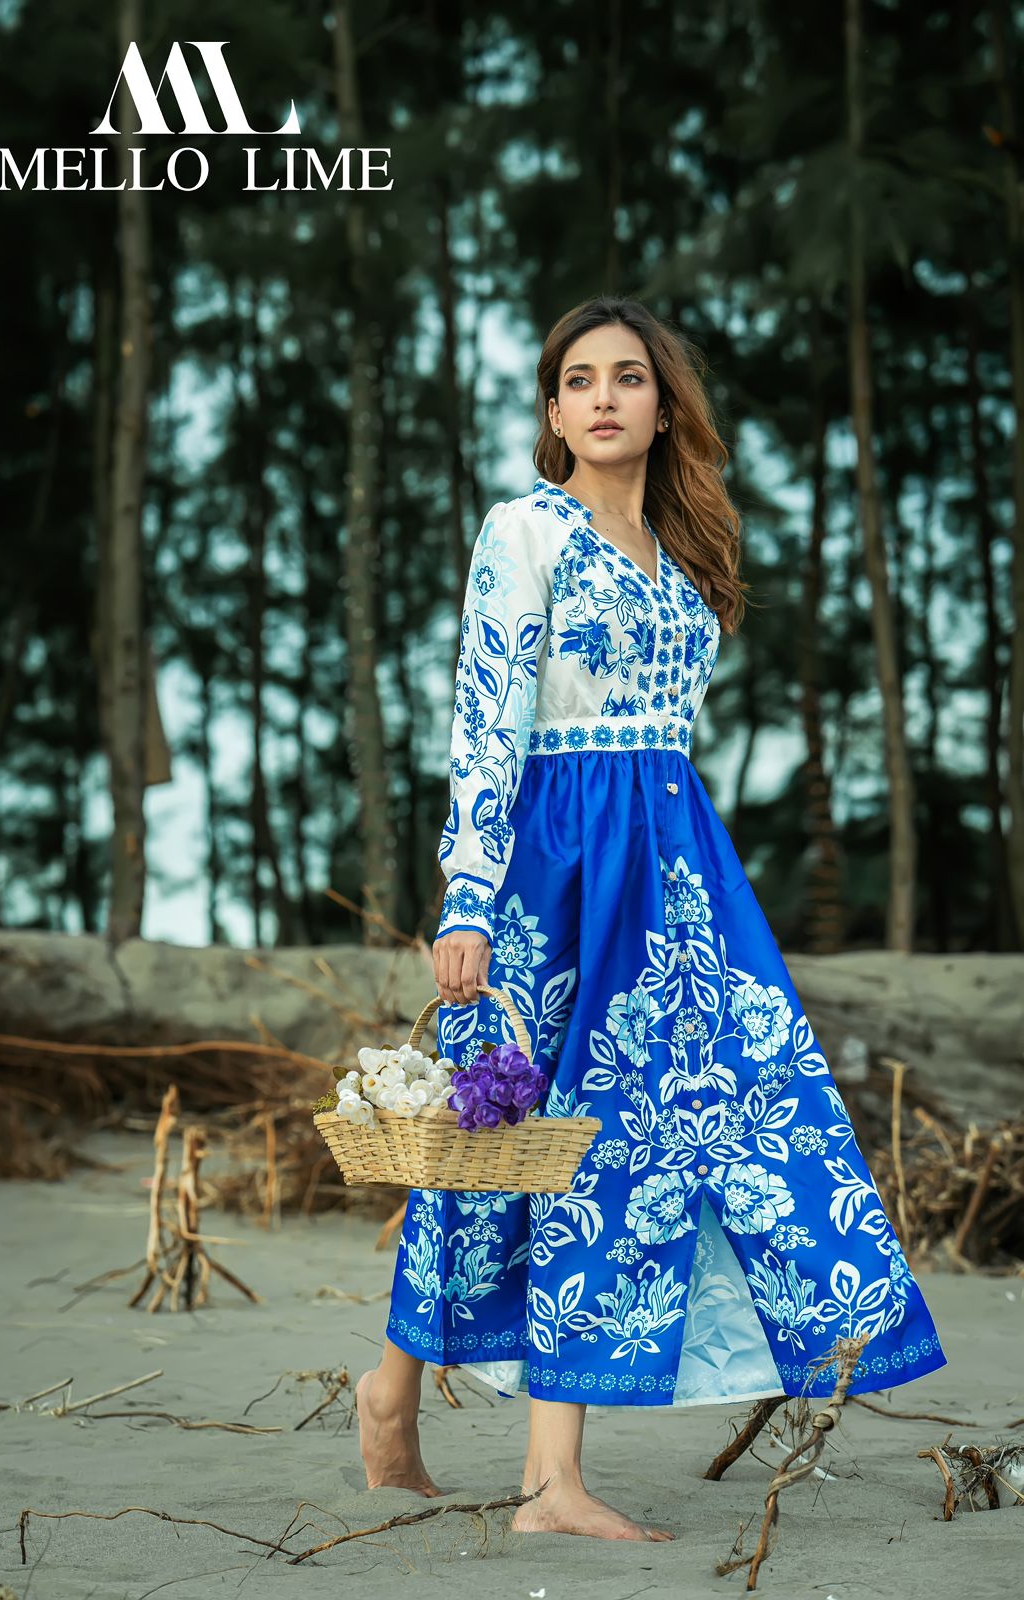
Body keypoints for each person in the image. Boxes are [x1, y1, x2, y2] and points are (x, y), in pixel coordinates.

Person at [355, 294, 948, 1542]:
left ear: (663, 405)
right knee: (511, 1144)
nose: (604, 396)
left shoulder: (686, 559)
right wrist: (468, 893)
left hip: (677, 867)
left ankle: (455, 1428)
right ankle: (494, 1452)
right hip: (557, 862)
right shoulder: (526, 528)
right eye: (579, 380)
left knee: (694, 1125)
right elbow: (485, 716)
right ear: (554, 410)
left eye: (629, 377)